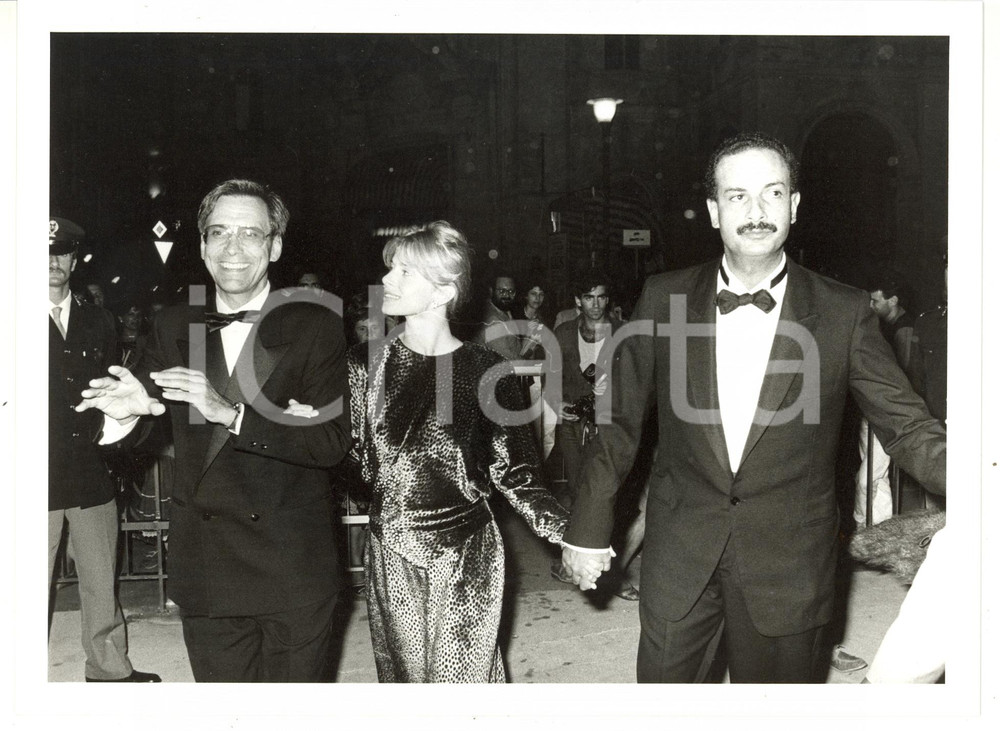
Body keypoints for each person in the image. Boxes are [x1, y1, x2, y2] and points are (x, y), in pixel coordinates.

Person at [560, 132, 946, 683]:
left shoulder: (844, 311)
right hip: (679, 561)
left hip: (790, 568)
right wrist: (588, 526)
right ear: (714, 211)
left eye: (772, 193)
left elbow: (907, 427)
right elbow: (618, 423)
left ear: (794, 205)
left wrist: (982, 481)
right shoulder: (663, 298)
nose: (756, 211)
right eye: (737, 196)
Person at [76, 179, 353, 682]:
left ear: (275, 246)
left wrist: (231, 413)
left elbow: (330, 443)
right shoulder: (173, 324)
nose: (232, 248)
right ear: (202, 245)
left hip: (291, 567)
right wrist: (127, 413)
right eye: (219, 232)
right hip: (207, 568)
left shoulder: (315, 324)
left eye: (250, 234)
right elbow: (145, 415)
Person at [346, 221, 568, 682]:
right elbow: (356, 466)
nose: (386, 280)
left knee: (461, 685)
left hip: (467, 550)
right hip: (393, 553)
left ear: (443, 291)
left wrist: (573, 533)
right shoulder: (365, 366)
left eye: (404, 272)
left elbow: (519, 474)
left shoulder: (488, 370)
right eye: (390, 268)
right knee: (410, 687)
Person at [47, 216, 160, 682]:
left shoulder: (98, 320)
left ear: (75, 260)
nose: (53, 261)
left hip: (89, 467)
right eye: (44, 252)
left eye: (63, 252)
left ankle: (109, 668)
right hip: (29, 470)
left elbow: (113, 388)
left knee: (99, 575)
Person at [853, 272, 916, 527]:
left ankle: (864, 525)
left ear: (893, 300)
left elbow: (903, 377)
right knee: (876, 475)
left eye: (875, 301)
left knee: (869, 477)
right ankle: (879, 528)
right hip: (871, 410)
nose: (871, 306)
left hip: (886, 412)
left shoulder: (904, 330)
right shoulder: (881, 327)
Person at [473, 273, 521, 360]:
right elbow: (511, 361)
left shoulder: (504, 310)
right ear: (491, 291)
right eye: (502, 291)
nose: (507, 295)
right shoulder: (493, 321)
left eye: (511, 291)